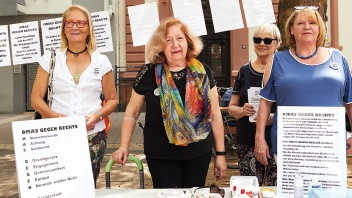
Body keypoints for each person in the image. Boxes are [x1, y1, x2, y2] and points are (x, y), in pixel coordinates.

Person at [112, 17, 227, 188]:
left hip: (198, 155)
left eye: (180, 38)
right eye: (168, 40)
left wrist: (220, 154)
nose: (175, 45)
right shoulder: (148, 73)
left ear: (188, 42)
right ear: (160, 46)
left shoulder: (204, 72)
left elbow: (216, 116)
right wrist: (123, 146)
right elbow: (131, 113)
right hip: (161, 156)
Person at [31, 5, 118, 186]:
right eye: (69, 22)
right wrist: (55, 118)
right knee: (57, 186)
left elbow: (112, 99)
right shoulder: (50, 58)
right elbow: (36, 98)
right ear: (63, 28)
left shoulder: (101, 61)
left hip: (93, 137)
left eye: (80, 22)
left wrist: (98, 115)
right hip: (57, 135)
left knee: (85, 186)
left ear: (89, 28)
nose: (75, 27)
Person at [254, 7, 352, 167]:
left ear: (320, 28)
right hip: (291, 146)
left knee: (330, 192)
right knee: (291, 191)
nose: (307, 27)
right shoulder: (277, 60)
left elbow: (350, 101)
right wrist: (259, 139)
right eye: (300, 23)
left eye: (312, 22)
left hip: (329, 146)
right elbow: (265, 103)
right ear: (291, 29)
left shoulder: (338, 58)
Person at [228, 24, 281, 186]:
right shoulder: (244, 70)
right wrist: (243, 111)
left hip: (277, 140)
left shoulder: (284, 70)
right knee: (250, 189)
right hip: (247, 139)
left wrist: (274, 117)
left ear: (278, 43)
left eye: (267, 40)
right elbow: (232, 108)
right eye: (257, 39)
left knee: (278, 189)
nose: (262, 43)